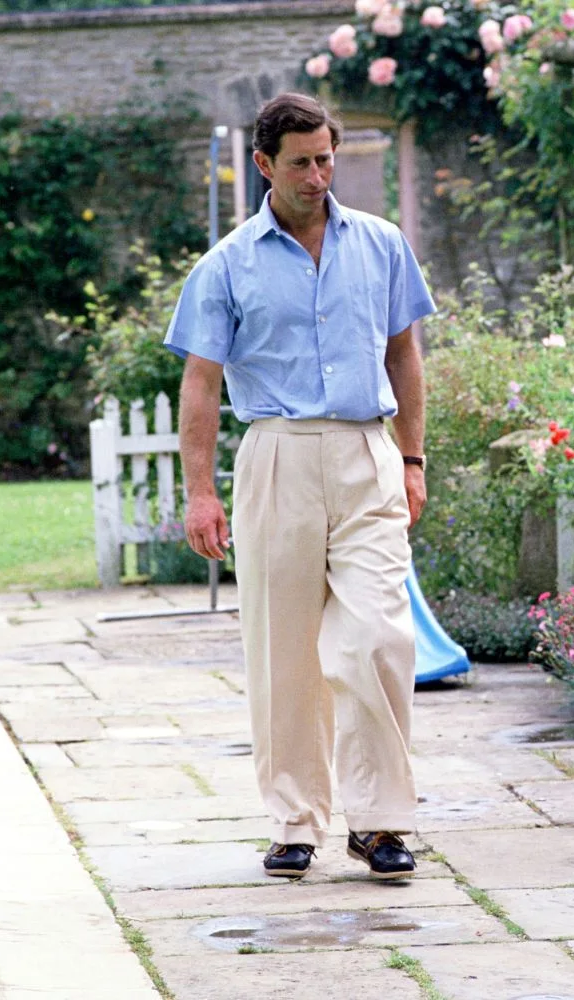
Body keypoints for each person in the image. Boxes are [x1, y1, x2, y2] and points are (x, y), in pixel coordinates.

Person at [165, 93, 433, 881]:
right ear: (263, 166)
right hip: (275, 456)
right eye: (301, 163)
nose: (319, 175)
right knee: (284, 653)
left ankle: (381, 821)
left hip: (366, 455)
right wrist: (200, 493)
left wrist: (413, 459)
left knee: (378, 638)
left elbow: (405, 357)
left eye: (327, 159)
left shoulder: (382, 245)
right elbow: (200, 385)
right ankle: (294, 821)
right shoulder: (226, 266)